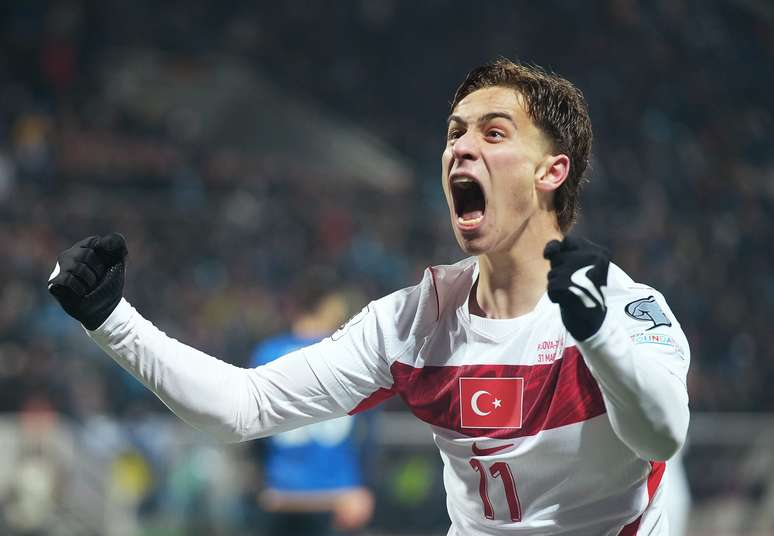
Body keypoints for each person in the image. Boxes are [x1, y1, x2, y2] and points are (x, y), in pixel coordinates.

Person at [47, 59, 690, 535]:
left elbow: (660, 434)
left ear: (553, 171)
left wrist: (598, 334)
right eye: (455, 133)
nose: (461, 146)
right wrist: (111, 319)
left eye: (494, 134)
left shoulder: (623, 307)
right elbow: (241, 407)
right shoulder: (415, 321)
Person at [249, 279, 374, 535]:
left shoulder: (267, 354)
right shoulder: (349, 353)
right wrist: (366, 485)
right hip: (338, 494)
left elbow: (253, 427)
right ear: (329, 307)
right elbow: (365, 430)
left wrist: (261, 481)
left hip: (282, 493)